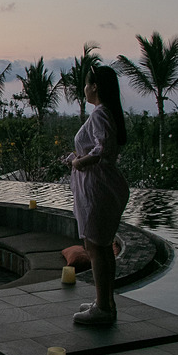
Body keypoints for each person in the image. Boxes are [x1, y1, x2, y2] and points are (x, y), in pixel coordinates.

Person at [69, 66, 129, 325]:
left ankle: (103, 308)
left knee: (96, 247)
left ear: (95, 87)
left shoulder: (100, 114)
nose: (84, 89)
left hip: (97, 189)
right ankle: (105, 302)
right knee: (102, 247)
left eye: (86, 84)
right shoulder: (104, 113)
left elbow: (103, 148)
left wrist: (81, 163)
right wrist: (79, 159)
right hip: (98, 187)